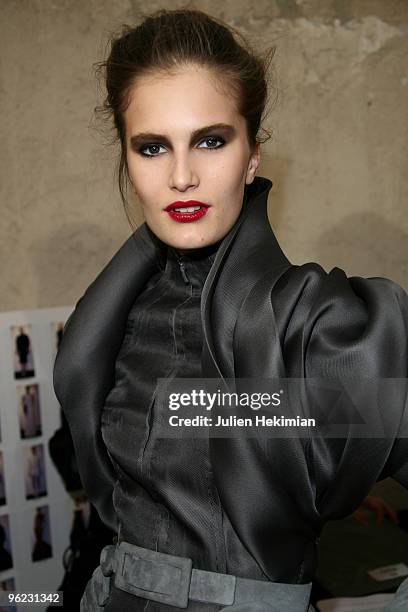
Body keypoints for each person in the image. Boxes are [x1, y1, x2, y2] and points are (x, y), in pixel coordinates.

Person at [53, 8, 408, 612]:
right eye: (153, 147)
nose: (183, 175)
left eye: (211, 141)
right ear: (127, 158)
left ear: (251, 157)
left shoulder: (316, 333)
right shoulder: (113, 320)